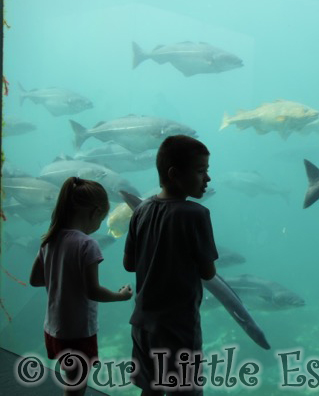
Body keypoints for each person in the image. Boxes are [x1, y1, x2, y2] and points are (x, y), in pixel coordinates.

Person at [123, 135, 218, 396]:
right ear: (175, 174)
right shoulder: (196, 214)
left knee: (150, 390)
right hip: (178, 329)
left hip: (142, 324)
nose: (207, 178)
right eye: (201, 171)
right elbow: (208, 272)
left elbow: (129, 264)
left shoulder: (141, 211)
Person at [30, 176, 133, 396]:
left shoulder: (50, 240)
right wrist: (120, 295)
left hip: (53, 328)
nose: (98, 226)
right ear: (95, 213)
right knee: (77, 385)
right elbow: (92, 291)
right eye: (101, 218)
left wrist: (61, 276)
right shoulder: (87, 244)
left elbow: (35, 280)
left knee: (71, 378)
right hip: (77, 330)